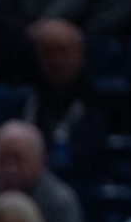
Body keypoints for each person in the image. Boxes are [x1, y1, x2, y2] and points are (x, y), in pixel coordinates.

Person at [20, 19, 106, 178]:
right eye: (48, 52)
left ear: (79, 54)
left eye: (63, 51)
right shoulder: (30, 100)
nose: (56, 60)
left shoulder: (99, 101)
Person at [0, 120, 83, 222]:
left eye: (18, 159)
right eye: (3, 159)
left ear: (40, 159)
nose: (10, 168)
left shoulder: (59, 202)